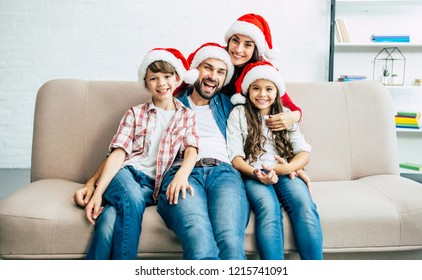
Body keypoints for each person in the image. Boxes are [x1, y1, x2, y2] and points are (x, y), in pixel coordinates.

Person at [80, 47, 199, 259]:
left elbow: (191, 150)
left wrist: (182, 175)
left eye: (167, 76)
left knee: (108, 220)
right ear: (146, 83)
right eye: (154, 78)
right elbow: (118, 154)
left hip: (152, 185)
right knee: (132, 199)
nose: (161, 83)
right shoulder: (135, 113)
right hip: (125, 174)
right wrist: (97, 193)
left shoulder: (186, 116)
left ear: (178, 78)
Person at [157, 42, 249, 260]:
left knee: (229, 241)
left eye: (220, 72)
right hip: (182, 174)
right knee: (199, 239)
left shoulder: (231, 106)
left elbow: (262, 132)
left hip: (224, 173)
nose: (213, 76)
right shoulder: (170, 103)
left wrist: (289, 164)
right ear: (194, 71)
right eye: (207, 68)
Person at [226, 60, 323, 260]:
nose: (262, 94)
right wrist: (255, 173)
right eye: (256, 88)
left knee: (304, 205)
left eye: (269, 89)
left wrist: (286, 168)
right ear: (247, 90)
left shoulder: (285, 116)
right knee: (268, 209)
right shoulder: (238, 113)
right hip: (254, 174)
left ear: (277, 92)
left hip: (286, 172)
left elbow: (304, 153)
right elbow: (235, 157)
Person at [223, 12, 312, 190]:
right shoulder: (218, 63)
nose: (239, 49)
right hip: (233, 138)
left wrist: (293, 165)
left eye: (248, 45)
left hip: (260, 147)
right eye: (235, 41)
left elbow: (292, 109)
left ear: (256, 49)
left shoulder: (262, 73)